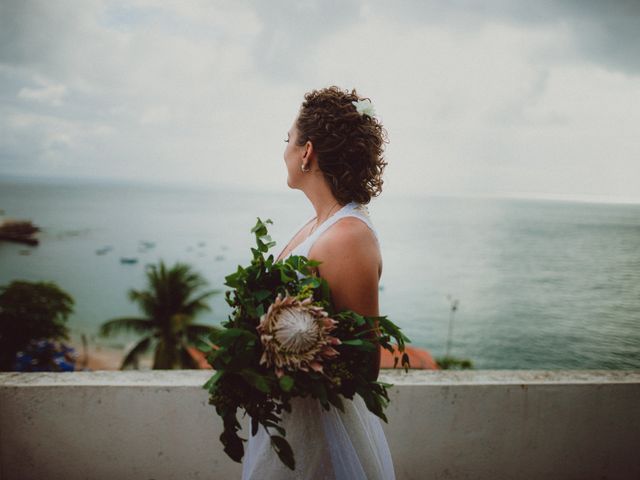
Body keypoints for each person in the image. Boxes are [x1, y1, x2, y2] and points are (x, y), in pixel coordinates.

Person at [241, 86, 396, 479]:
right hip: (294, 427)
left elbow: (363, 368)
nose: (284, 151)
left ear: (306, 151)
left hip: (326, 440)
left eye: (287, 140)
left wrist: (284, 357)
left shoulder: (347, 237)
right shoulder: (320, 223)